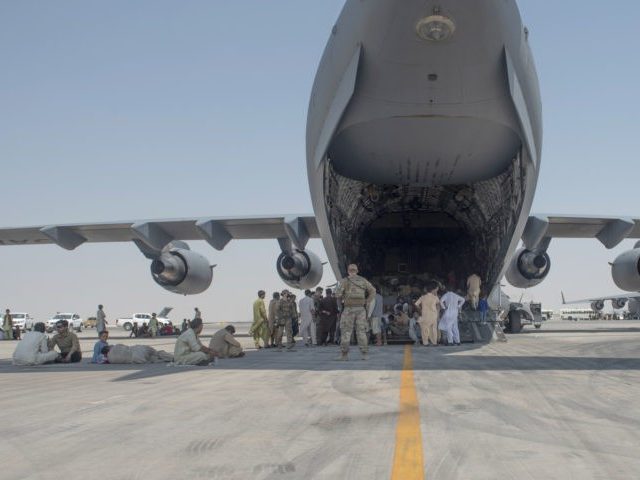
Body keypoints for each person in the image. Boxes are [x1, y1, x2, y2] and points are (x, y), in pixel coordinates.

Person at [334, 263, 376, 361]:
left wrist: (342, 299)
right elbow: (373, 291)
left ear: (348, 271)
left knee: (346, 332)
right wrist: (367, 301)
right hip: (361, 309)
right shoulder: (363, 280)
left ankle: (344, 355)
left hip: (348, 309)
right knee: (361, 332)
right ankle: (365, 354)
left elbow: (337, 294)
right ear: (357, 271)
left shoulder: (345, 281)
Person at [104, 344, 173, 364]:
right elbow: (125, 346)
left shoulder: (110, 360)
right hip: (140, 349)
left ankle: (166, 360)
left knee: (153, 359)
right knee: (157, 353)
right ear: (108, 348)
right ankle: (173, 357)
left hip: (137, 359)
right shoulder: (116, 346)